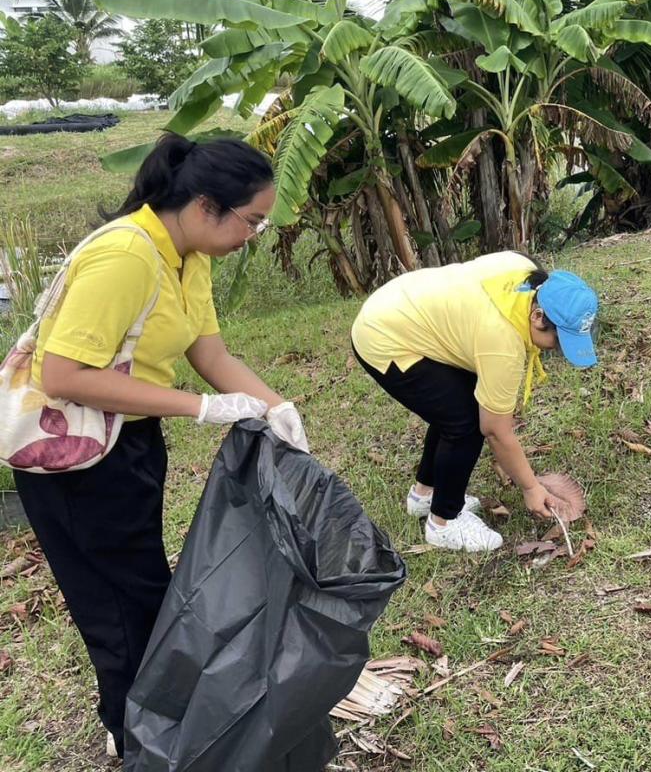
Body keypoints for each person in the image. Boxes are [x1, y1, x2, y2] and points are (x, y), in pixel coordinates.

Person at [14, 133, 309, 760]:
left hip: (129, 443)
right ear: (206, 206)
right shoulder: (127, 255)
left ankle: (167, 731)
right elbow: (63, 374)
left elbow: (210, 352)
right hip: (76, 460)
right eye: (252, 222)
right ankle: (141, 744)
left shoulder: (186, 254)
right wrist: (199, 407)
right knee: (123, 614)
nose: (253, 235)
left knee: (147, 595)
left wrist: (276, 406)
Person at [351, 252, 599, 553]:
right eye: (558, 341)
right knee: (465, 423)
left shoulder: (527, 272)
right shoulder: (503, 342)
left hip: (399, 303)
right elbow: (495, 430)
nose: (556, 349)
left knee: (455, 408)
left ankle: (424, 496)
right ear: (537, 316)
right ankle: (444, 523)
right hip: (384, 336)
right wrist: (531, 488)